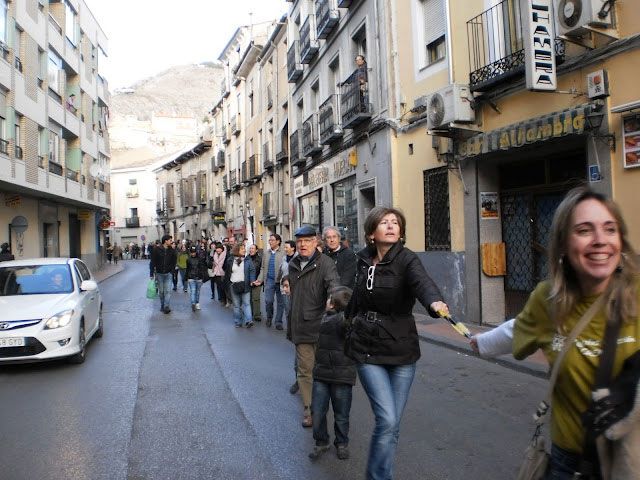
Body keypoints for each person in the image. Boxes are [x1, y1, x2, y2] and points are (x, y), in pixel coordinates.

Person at [475, 186, 639, 479]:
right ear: (563, 245)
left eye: (610, 229)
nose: (600, 241)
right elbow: (517, 329)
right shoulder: (547, 299)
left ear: (621, 240)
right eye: (585, 230)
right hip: (572, 465)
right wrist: (479, 343)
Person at [344, 206, 449, 480]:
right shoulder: (363, 260)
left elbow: (422, 283)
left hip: (401, 349)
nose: (391, 226)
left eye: (395, 223)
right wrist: (343, 320)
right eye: (384, 222)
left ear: (401, 231)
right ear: (371, 232)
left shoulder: (407, 260)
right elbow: (354, 297)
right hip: (367, 347)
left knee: (392, 424)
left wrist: (434, 301)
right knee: (387, 420)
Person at [287, 225, 340, 428]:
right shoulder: (293, 264)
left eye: (307, 240)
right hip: (300, 326)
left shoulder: (325, 263)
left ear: (316, 242)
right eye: (300, 241)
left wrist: (333, 299)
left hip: (321, 326)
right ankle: (310, 410)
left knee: (325, 372)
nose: (302, 244)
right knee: (304, 371)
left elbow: (333, 283)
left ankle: (329, 408)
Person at [309, 286, 356, 461]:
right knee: (317, 411)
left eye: (330, 299)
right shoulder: (325, 318)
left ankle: (342, 443)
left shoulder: (342, 321)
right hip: (322, 373)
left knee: (342, 415)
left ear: (334, 305)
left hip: (342, 375)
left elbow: (346, 321)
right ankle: (321, 441)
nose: (327, 301)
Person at [255, 234, 285, 329]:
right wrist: (260, 279)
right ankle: (269, 317)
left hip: (281, 281)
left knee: (280, 303)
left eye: (272, 240)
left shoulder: (283, 253)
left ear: (278, 241)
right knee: (268, 301)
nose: (270, 242)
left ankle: (278, 322)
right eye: (269, 240)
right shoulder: (266, 253)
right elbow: (263, 268)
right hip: (269, 281)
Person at [225, 243, 256, 328]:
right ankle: (238, 321)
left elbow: (252, 270)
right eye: (242, 249)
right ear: (237, 250)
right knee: (236, 305)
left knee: (246, 303)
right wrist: (227, 283)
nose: (244, 250)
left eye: (244, 249)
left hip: (245, 284)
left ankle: (249, 320)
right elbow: (227, 272)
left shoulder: (247, 260)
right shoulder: (230, 260)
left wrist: (252, 280)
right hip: (234, 285)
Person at [151, 235, 177, 314]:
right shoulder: (157, 250)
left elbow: (174, 261)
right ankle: (162, 305)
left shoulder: (171, 250)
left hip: (168, 273)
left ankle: (166, 306)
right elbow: (153, 262)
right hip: (159, 274)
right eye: (170, 240)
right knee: (161, 292)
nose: (171, 241)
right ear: (165, 241)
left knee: (168, 291)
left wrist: (172, 270)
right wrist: (151, 273)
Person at [185, 246, 207, 311]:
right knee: (193, 290)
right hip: (191, 277)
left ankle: (197, 302)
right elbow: (187, 269)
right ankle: (193, 303)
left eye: (194, 252)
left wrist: (203, 277)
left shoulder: (200, 259)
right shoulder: (188, 260)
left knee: (197, 291)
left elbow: (202, 268)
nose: (193, 254)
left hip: (199, 277)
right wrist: (186, 277)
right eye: (192, 252)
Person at [248, 244, 262, 322]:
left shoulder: (260, 259)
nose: (251, 250)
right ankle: (251, 312)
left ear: (256, 250)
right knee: (249, 298)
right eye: (250, 248)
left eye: (253, 248)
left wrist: (259, 280)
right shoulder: (246, 259)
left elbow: (262, 270)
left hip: (257, 281)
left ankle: (257, 315)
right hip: (248, 281)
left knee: (256, 298)